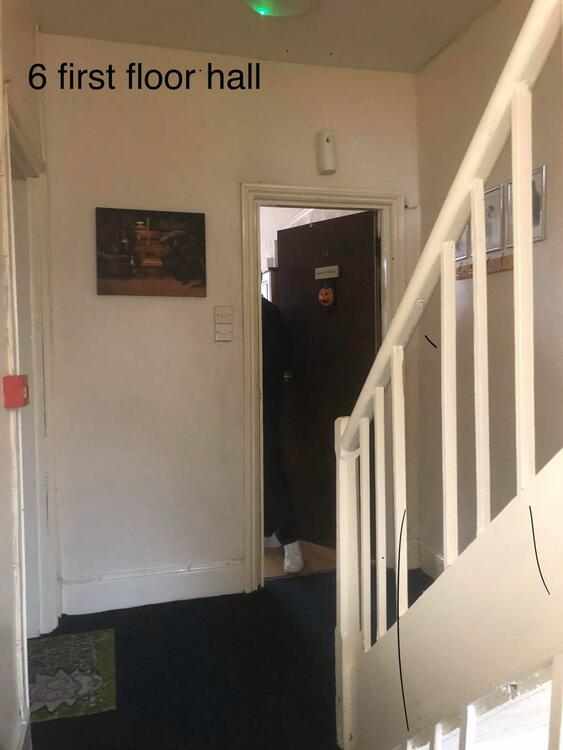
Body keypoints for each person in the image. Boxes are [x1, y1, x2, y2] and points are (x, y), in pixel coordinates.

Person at [261, 296, 304, 574]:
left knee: (269, 462)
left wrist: (282, 383)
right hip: (239, 395)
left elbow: (286, 362)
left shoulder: (267, 312)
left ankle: (290, 539)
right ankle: (273, 530)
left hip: (267, 397)